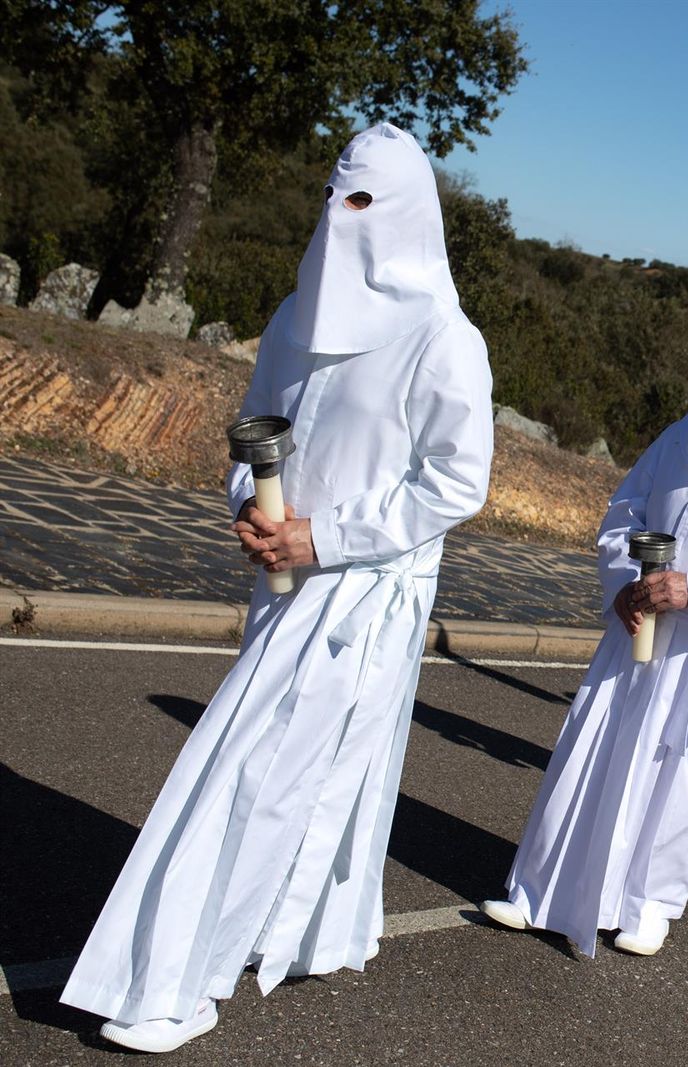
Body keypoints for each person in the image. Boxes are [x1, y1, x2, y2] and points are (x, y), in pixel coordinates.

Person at [61, 124, 494, 1053]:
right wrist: (253, 510)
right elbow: (261, 432)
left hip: (363, 593)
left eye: (368, 202)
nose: (346, 221)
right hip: (282, 577)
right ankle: (307, 927)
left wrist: (326, 535)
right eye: (337, 196)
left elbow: (458, 480)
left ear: (411, 213)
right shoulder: (302, 310)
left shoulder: (443, 336)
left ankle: (182, 975)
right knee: (300, 768)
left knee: (256, 772)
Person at [480, 310, 688, 957]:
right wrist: (622, 580)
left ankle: (649, 901)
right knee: (597, 746)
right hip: (639, 619)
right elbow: (625, 507)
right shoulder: (684, 432)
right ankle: (543, 886)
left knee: (680, 771)